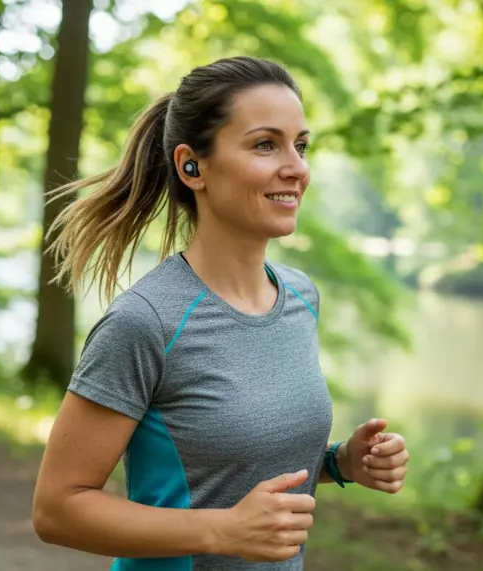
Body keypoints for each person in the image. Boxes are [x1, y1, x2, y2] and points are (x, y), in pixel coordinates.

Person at [31, 55, 410, 570]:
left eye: (300, 146)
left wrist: (341, 462)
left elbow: (233, 463)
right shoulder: (146, 321)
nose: (297, 167)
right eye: (265, 144)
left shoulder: (299, 298)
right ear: (192, 166)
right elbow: (57, 509)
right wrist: (223, 530)